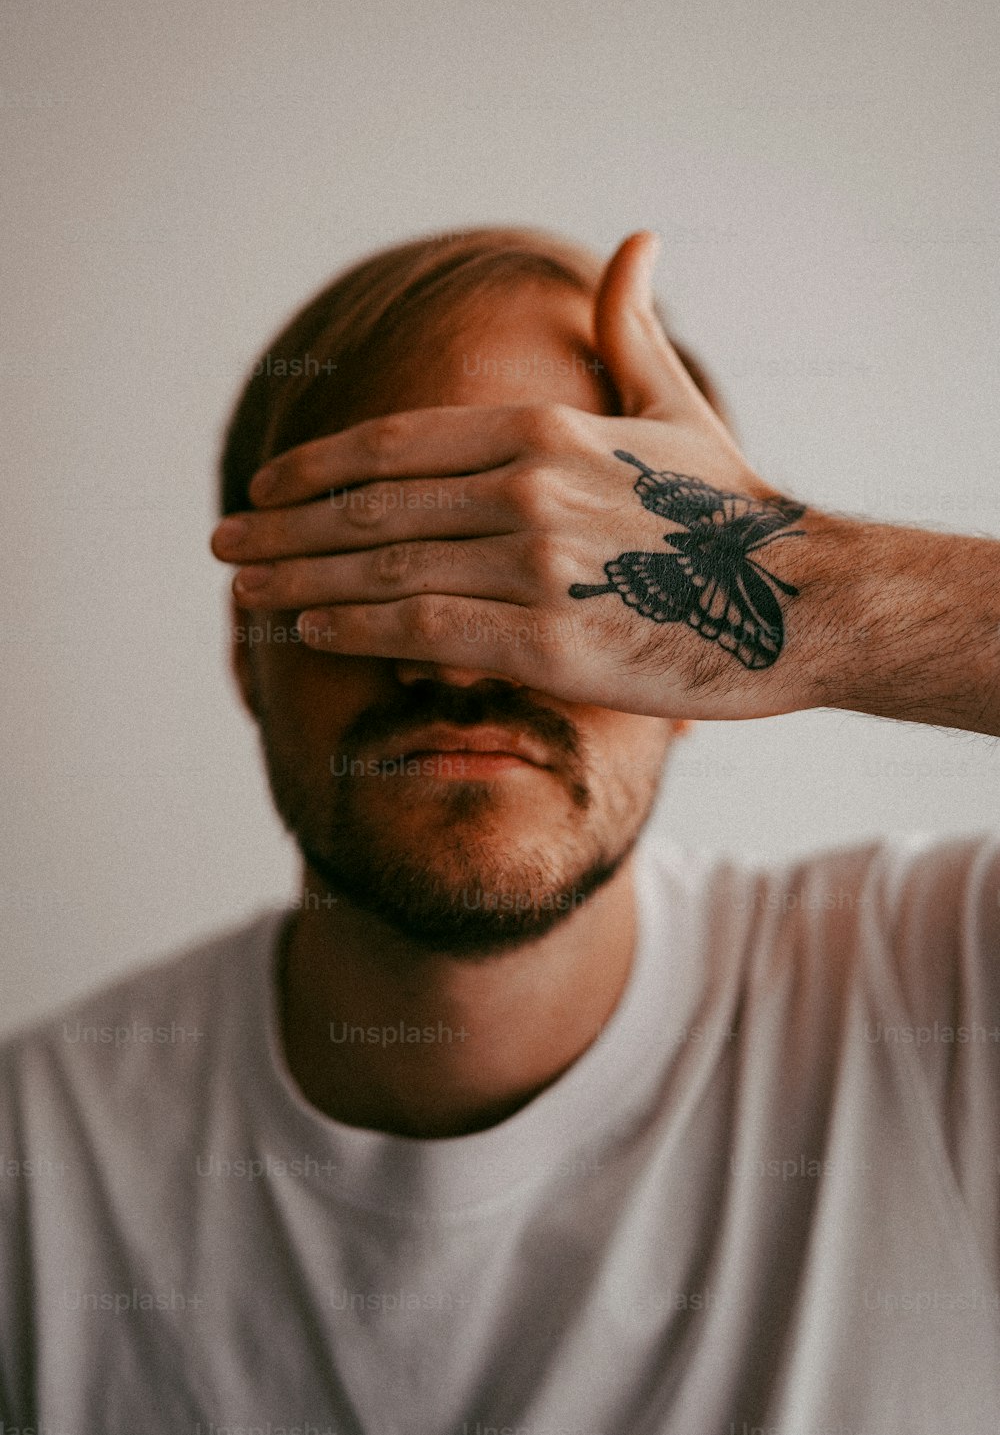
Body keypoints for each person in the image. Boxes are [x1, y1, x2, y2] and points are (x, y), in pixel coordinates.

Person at [2, 224, 998, 1434]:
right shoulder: (33, 1173)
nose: (458, 653)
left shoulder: (941, 1008)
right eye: (374, 554)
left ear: (695, 676)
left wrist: (800, 590)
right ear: (244, 652)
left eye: (565, 563)